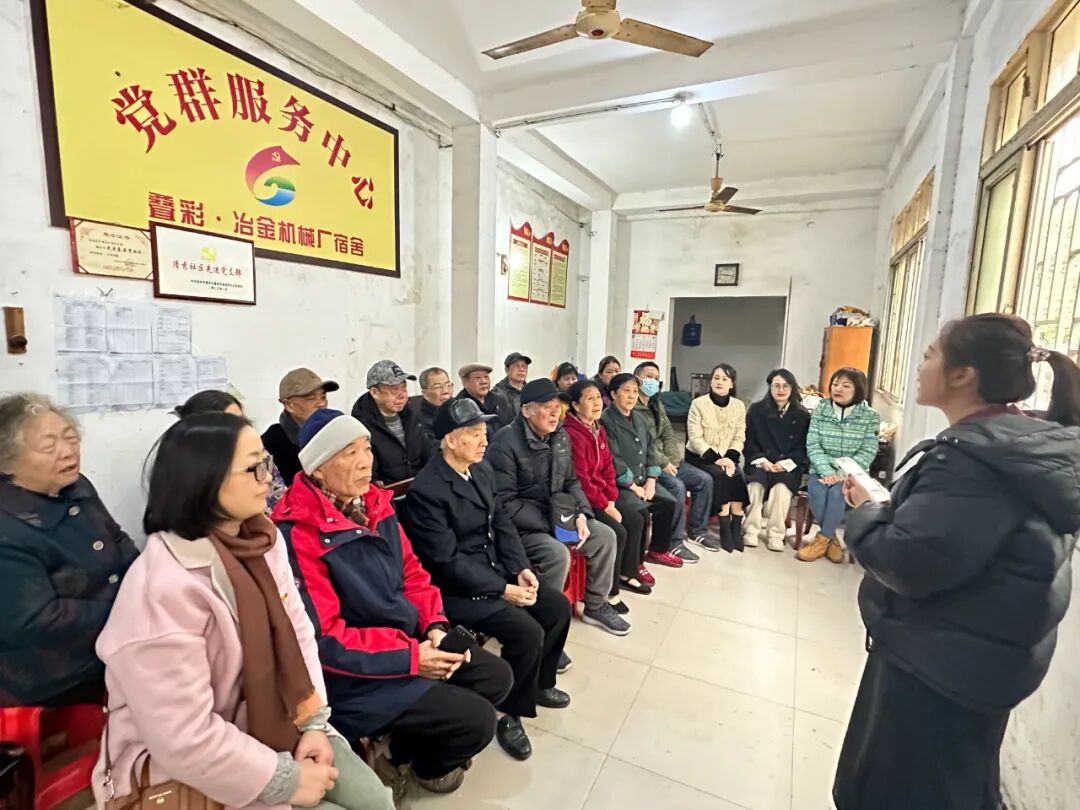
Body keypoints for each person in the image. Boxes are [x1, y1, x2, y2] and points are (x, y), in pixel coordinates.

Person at [832, 314, 1080, 810]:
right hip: (976, 657)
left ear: (964, 374)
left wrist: (867, 509)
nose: (920, 365)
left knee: (901, 791)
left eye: (930, 355)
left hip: (939, 665)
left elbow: (907, 560)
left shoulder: (971, 463)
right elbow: (948, 541)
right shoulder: (1021, 443)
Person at [93, 412, 392, 810]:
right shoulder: (161, 589)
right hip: (188, 764)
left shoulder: (263, 540)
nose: (268, 478)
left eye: (266, 462)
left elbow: (298, 632)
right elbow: (183, 737)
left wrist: (314, 723)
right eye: (254, 468)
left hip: (281, 717)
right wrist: (284, 779)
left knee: (375, 801)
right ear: (206, 480)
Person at [272, 409, 512, 800]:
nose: (365, 461)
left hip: (407, 640)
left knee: (495, 678)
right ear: (318, 468)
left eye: (366, 448)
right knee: (478, 721)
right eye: (349, 453)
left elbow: (413, 574)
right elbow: (326, 639)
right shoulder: (298, 533)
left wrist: (434, 625)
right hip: (356, 674)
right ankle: (418, 765)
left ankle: (404, 748)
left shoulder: (375, 504)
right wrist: (412, 658)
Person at [399, 398, 572, 763]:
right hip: (458, 588)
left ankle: (540, 683)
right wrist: (503, 589)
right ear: (450, 440)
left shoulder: (480, 469)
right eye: (475, 434)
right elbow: (445, 562)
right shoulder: (428, 491)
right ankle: (510, 713)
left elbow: (501, 522)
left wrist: (520, 568)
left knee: (556, 607)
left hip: (494, 569)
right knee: (526, 632)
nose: (484, 440)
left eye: (484, 432)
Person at [0, 393, 138, 708]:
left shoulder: (77, 486)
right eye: (49, 446)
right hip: (53, 679)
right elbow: (37, 620)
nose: (68, 451)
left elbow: (117, 540)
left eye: (71, 438)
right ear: (7, 460)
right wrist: (128, 611)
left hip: (112, 648)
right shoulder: (7, 524)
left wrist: (150, 587)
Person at [486, 379, 628, 636]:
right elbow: (504, 503)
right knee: (556, 554)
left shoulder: (560, 435)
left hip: (559, 514)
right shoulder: (504, 443)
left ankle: (595, 605)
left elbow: (572, 481)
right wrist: (553, 523)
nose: (554, 413)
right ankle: (542, 625)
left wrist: (582, 514)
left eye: (557, 407)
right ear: (526, 410)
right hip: (523, 526)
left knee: (605, 536)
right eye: (547, 407)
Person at [565, 379, 654, 601]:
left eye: (598, 397)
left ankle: (627, 573)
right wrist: (605, 505)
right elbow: (582, 479)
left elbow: (608, 468)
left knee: (635, 519)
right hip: (584, 500)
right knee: (618, 532)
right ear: (575, 405)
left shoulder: (598, 429)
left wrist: (612, 500)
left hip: (604, 496)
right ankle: (609, 592)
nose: (597, 403)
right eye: (590, 399)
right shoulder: (572, 433)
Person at [601, 374, 695, 568]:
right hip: (621, 484)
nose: (632, 396)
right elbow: (614, 459)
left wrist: (652, 479)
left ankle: (657, 551)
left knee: (668, 502)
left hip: (644, 479)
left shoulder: (638, 417)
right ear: (614, 394)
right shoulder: (606, 420)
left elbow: (651, 449)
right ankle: (636, 564)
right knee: (640, 511)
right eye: (626, 391)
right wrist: (633, 486)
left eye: (635, 391)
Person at [798, 367, 880, 563]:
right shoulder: (821, 409)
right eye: (835, 384)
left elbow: (868, 451)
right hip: (821, 469)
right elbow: (813, 444)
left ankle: (821, 541)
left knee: (837, 494)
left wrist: (841, 474)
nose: (838, 389)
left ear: (858, 389)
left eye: (846, 386)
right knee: (817, 491)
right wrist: (827, 471)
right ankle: (831, 539)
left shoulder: (870, 416)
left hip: (852, 473)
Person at [634, 361, 718, 552]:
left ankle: (697, 531)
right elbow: (644, 445)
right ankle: (674, 542)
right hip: (650, 464)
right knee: (677, 487)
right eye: (648, 377)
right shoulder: (633, 408)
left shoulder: (656, 404)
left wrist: (673, 460)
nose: (653, 381)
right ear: (637, 379)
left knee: (704, 479)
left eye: (656, 378)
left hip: (668, 461)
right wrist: (664, 463)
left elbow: (669, 435)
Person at [176, 389, 287, 513]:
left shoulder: (259, 455)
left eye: (242, 421)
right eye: (231, 424)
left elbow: (283, 502)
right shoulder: (193, 474)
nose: (268, 477)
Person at [685, 364, 750, 553]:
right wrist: (717, 459)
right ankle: (724, 528)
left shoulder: (738, 406)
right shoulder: (698, 404)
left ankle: (736, 526)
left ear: (732, 383)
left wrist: (729, 458)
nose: (719, 382)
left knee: (738, 476)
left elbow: (739, 436)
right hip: (701, 457)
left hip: (727, 457)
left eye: (724, 379)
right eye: (716, 378)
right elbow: (695, 437)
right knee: (723, 476)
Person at [744, 370, 811, 551]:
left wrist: (785, 464)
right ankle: (750, 530)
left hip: (787, 464)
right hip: (760, 462)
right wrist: (761, 460)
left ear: (792, 388)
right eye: (776, 386)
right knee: (755, 486)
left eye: (785, 386)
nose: (781, 390)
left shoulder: (802, 415)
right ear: (770, 388)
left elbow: (803, 447)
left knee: (781, 489)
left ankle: (775, 534)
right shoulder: (756, 410)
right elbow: (748, 442)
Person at [351, 359, 433, 485]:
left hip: (421, 486)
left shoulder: (412, 415)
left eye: (404, 388)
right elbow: (370, 476)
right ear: (375, 393)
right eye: (394, 390)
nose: (402, 396)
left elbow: (428, 453)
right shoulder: (360, 427)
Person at [262, 368, 339, 487]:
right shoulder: (271, 443)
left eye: (323, 397)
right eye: (312, 399)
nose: (321, 404)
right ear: (289, 405)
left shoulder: (335, 431)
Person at [456, 363, 514, 441]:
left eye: (486, 377)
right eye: (477, 378)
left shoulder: (500, 399)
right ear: (465, 383)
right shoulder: (460, 405)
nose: (483, 381)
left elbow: (511, 427)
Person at [411, 366, 454, 442]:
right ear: (425, 394)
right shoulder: (418, 422)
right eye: (438, 387)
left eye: (448, 385)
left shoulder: (459, 408)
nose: (445, 391)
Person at [494, 352, 531, 417]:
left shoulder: (531, 392)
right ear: (507, 370)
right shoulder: (497, 394)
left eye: (524, 366)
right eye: (517, 366)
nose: (521, 369)